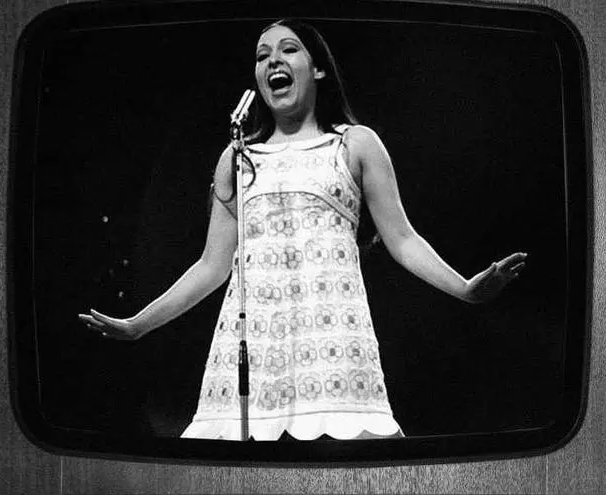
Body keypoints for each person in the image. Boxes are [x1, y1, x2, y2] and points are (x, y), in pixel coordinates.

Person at [78, 19, 527, 441]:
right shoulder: (238, 158)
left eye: (288, 50)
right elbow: (211, 266)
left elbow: (403, 239)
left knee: (364, 473)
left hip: (333, 342)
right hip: (254, 348)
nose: (273, 60)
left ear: (317, 69)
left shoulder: (355, 143)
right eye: (262, 55)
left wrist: (466, 290)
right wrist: (138, 326)